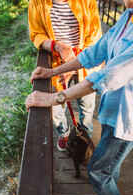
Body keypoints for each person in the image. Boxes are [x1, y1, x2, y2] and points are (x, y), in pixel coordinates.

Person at [26, 0, 133, 195]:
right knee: (110, 164)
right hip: (112, 108)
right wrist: (54, 71)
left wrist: (55, 97)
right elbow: (95, 52)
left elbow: (110, 75)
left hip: (128, 116)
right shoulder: (130, 14)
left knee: (98, 169)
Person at [28, 0, 102, 151]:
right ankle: (64, 134)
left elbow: (95, 36)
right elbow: (36, 34)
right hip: (56, 65)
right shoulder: (36, 2)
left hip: (86, 63)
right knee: (56, 107)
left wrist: (75, 62)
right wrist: (56, 46)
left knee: (87, 106)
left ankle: (85, 136)